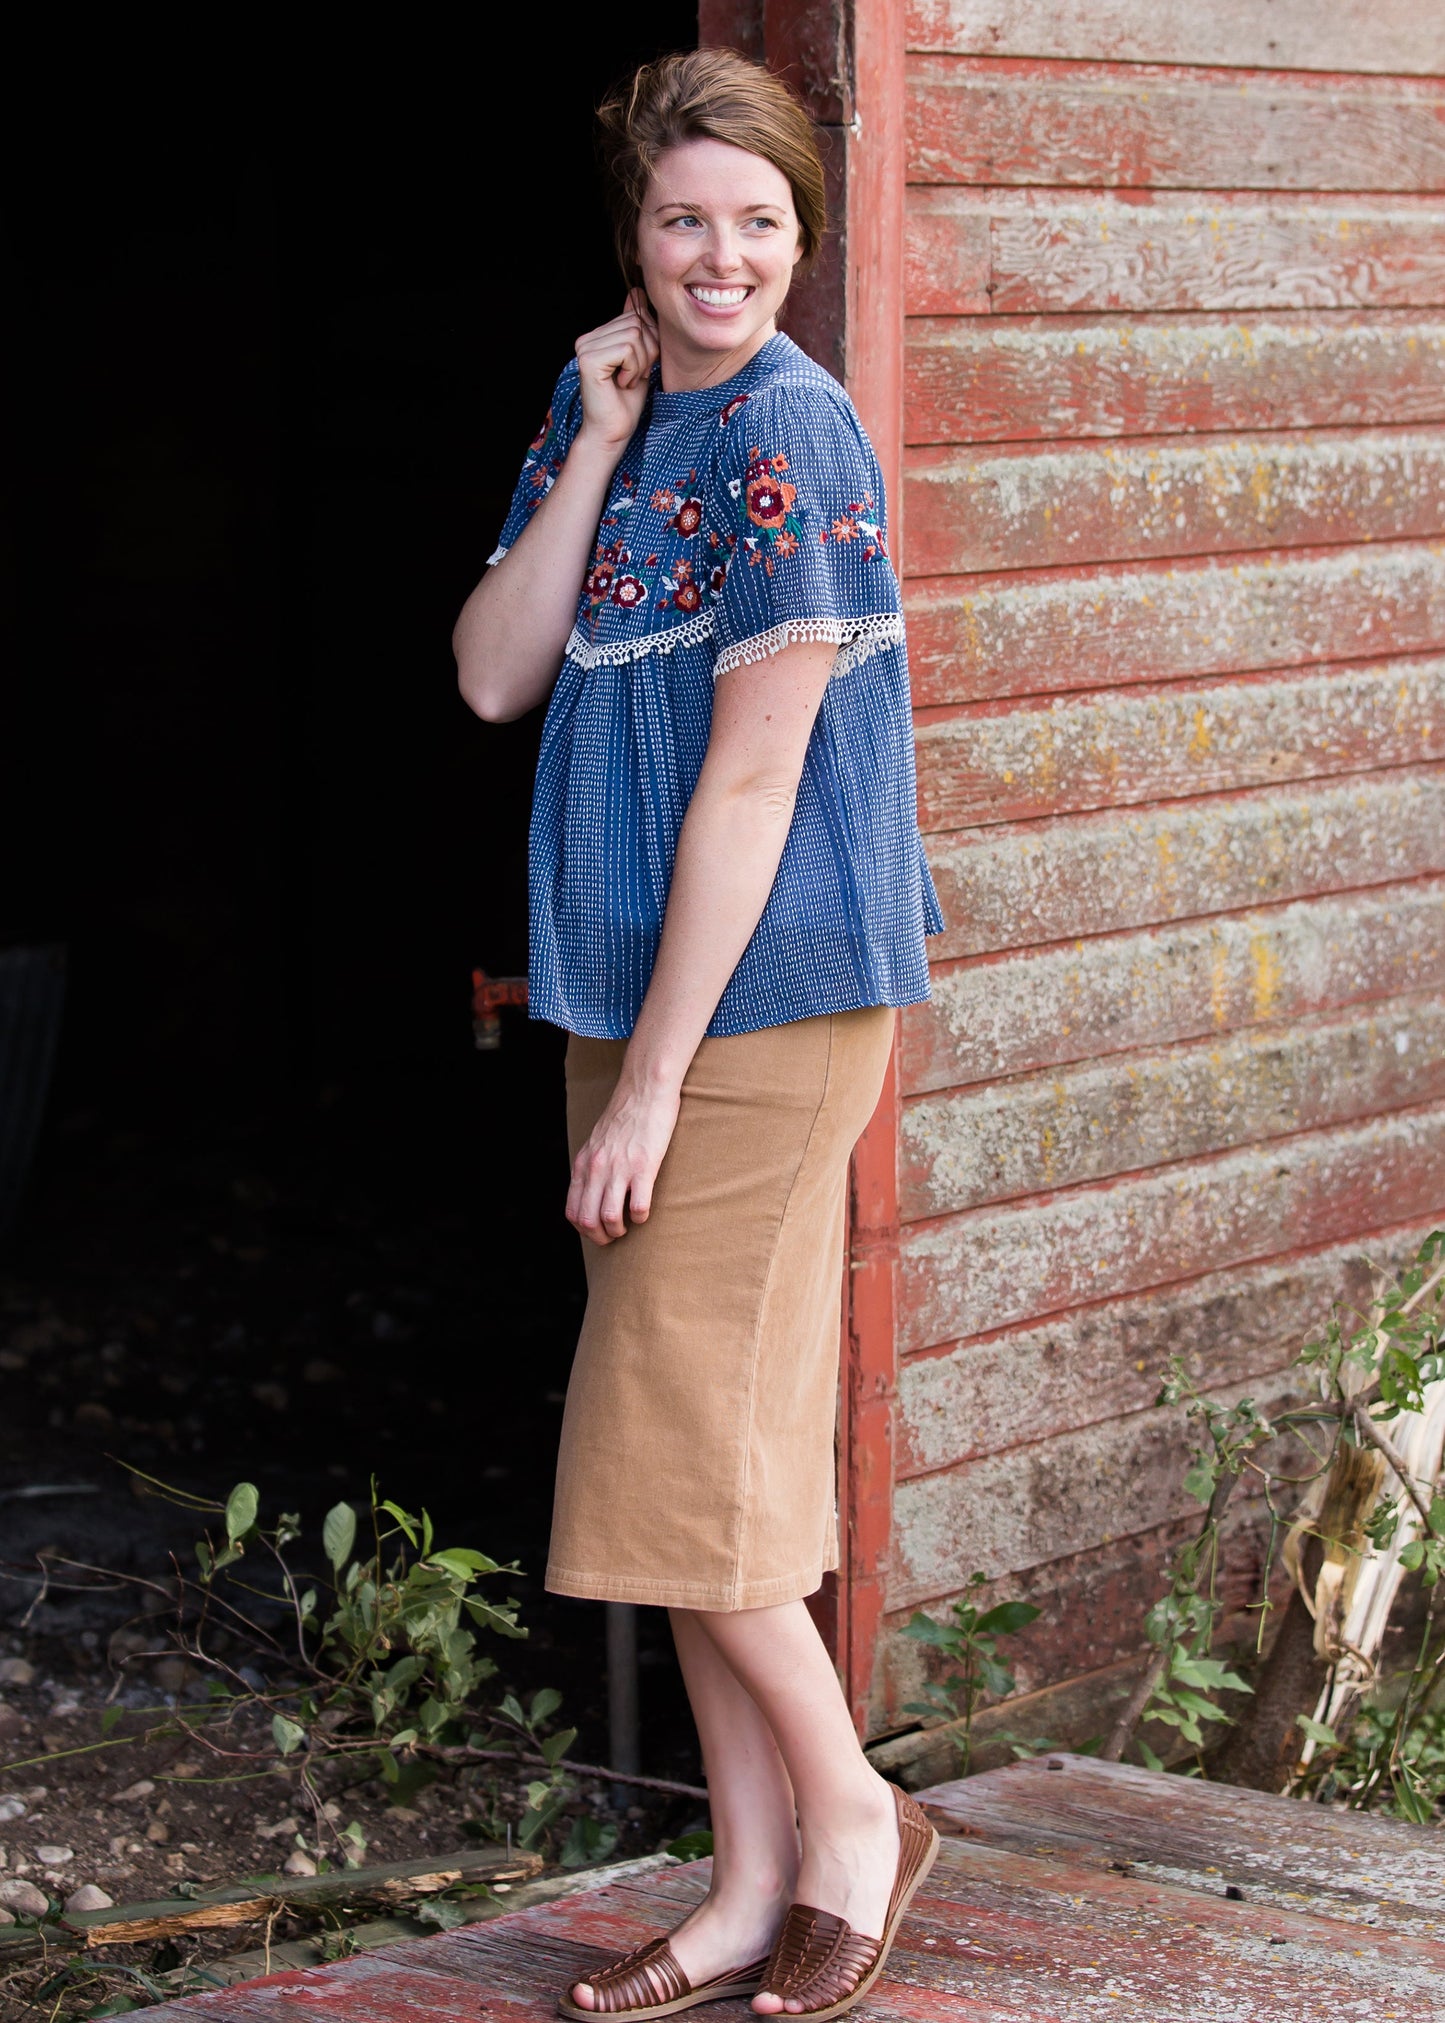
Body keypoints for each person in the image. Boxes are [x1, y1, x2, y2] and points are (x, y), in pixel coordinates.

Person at [454, 47, 942, 2023]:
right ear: (634, 242)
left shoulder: (798, 440)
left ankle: (851, 1816)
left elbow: (752, 791)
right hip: (632, 997)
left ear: (803, 234)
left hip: (763, 1008)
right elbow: (494, 672)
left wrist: (651, 1083)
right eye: (683, 219)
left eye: (757, 221)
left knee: (659, 1438)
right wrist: (582, 438)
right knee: (713, 1457)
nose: (720, 254)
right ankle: (748, 1887)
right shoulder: (631, 418)